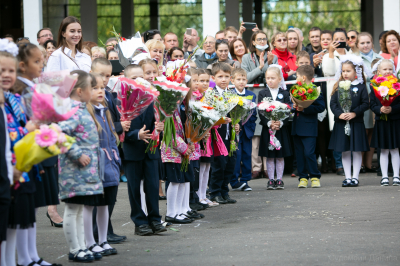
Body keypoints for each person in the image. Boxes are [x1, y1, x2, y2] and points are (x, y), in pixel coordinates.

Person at [57, 70, 100, 262]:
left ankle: (82, 245)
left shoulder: (81, 108)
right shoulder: (71, 110)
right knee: (73, 209)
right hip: (73, 170)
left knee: (81, 209)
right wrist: (77, 154)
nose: (94, 90)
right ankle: (74, 249)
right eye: (92, 87)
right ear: (81, 91)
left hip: (84, 171)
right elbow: (61, 134)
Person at [125, 58, 166, 235]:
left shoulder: (151, 97)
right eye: (135, 78)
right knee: (134, 188)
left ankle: (155, 219)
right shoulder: (121, 100)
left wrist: (159, 128)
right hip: (132, 150)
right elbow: (119, 128)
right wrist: (136, 135)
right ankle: (139, 222)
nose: (140, 80)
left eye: (141, 77)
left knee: (151, 185)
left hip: (151, 150)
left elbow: (156, 121)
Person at [90, 58, 128, 244]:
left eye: (108, 75)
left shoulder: (109, 94)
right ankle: (98, 233)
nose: (105, 79)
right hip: (99, 152)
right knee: (102, 196)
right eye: (101, 75)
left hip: (111, 150)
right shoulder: (92, 98)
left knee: (110, 195)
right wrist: (121, 126)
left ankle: (107, 230)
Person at [84, 74, 120, 256]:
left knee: (106, 203)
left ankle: (103, 239)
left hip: (109, 165)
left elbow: (113, 139)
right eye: (95, 88)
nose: (100, 91)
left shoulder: (104, 111)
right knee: (91, 205)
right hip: (94, 166)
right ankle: (90, 241)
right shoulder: (87, 113)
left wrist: (116, 159)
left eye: (102, 88)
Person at [328, 55, 370, 187]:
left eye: (348, 71)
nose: (345, 73)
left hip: (356, 123)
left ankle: (355, 177)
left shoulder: (361, 87)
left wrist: (354, 113)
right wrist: (339, 114)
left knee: (356, 150)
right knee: (345, 150)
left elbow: (365, 104)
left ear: (356, 71)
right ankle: (347, 177)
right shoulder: (337, 86)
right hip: (341, 123)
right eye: (343, 71)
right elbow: (333, 103)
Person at [208, 62, 239, 204]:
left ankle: (224, 191)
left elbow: (235, 114)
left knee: (230, 164)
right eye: (220, 76)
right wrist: (219, 120)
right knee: (218, 165)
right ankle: (214, 192)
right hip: (217, 135)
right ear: (213, 78)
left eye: (226, 76)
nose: (223, 79)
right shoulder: (210, 94)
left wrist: (237, 123)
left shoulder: (231, 94)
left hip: (230, 136)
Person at [259, 65, 291, 190]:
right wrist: (269, 123)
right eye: (268, 78)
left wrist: (280, 123)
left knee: (280, 155)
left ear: (279, 79)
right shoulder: (262, 93)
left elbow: (288, 111)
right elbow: (260, 111)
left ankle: (280, 180)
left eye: (273, 78)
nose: (270, 80)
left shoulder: (284, 93)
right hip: (268, 129)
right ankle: (271, 179)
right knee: (270, 155)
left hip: (280, 129)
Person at [321, 29, 349, 176]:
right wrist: (331, 53)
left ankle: (351, 163)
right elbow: (328, 71)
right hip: (336, 93)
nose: (339, 41)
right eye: (336, 39)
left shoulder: (352, 56)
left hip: (351, 95)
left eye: (342, 38)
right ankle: (339, 164)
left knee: (351, 129)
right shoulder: (327, 56)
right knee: (338, 129)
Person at [292, 65, 325, 188]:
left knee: (309, 153)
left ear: (304, 77)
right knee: (299, 154)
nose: (296, 79)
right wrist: (293, 107)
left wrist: (305, 108)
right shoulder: (295, 90)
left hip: (310, 128)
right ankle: (303, 177)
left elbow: (321, 107)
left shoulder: (315, 90)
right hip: (296, 127)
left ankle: (315, 176)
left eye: (297, 76)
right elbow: (291, 105)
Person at [370, 59, 400, 186]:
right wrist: (380, 109)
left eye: (390, 69)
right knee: (383, 150)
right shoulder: (374, 85)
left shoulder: (397, 84)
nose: (387, 71)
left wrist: (392, 109)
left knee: (394, 149)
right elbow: (372, 104)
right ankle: (384, 176)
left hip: (394, 121)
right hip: (381, 121)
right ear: (378, 71)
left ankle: (397, 176)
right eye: (384, 69)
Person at [357, 32, 383, 173]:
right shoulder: (355, 60)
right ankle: (360, 163)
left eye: (368, 42)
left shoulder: (380, 58)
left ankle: (368, 163)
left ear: (372, 43)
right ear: (357, 45)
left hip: (379, 98)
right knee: (364, 130)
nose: (365, 45)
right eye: (362, 43)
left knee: (373, 130)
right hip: (363, 97)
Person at [197, 69, 222, 207]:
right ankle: (199, 196)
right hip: (200, 136)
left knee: (207, 166)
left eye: (207, 81)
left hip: (209, 135)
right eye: (201, 81)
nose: (205, 83)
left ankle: (203, 195)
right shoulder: (196, 98)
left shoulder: (210, 96)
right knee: (201, 166)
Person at [230, 68, 256, 192]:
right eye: (238, 79)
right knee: (237, 155)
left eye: (243, 79)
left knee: (247, 155)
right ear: (232, 80)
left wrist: (251, 127)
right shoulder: (230, 94)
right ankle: (234, 181)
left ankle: (245, 180)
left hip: (247, 131)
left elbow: (253, 113)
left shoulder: (251, 95)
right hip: (235, 130)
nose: (241, 82)